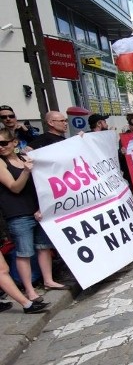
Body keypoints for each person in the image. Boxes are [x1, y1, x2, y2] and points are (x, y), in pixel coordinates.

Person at [0, 128, 72, 303]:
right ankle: (30, 291)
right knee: (24, 252)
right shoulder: (1, 163)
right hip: (17, 213)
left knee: (43, 247)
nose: (1, 147)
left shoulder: (25, 158)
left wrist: (79, 141)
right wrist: (25, 171)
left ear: (14, 142)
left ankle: (48, 280)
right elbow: (15, 187)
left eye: (4, 143)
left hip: (37, 211)